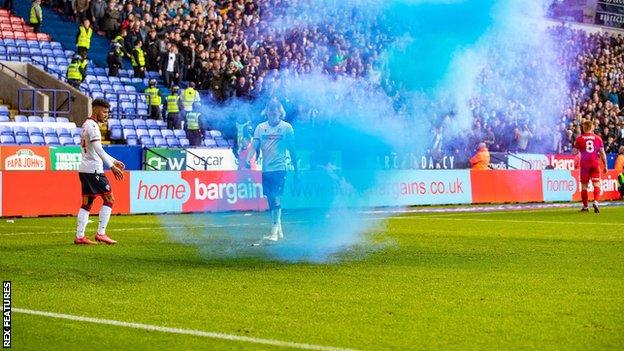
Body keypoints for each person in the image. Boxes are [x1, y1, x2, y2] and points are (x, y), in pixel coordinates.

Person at [245, 99, 298, 241]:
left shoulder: (287, 128)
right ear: (267, 112)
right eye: (270, 110)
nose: (273, 113)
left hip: (280, 169)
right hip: (266, 170)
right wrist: (247, 159)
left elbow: (292, 149)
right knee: (270, 199)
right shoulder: (260, 128)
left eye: (276, 110)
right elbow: (254, 146)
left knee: (275, 198)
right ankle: (279, 229)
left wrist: (296, 169)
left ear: (280, 112)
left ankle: (274, 231)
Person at [74, 98, 125, 245]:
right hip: (94, 170)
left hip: (85, 169)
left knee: (87, 203)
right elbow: (98, 149)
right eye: (104, 111)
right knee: (110, 199)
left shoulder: (86, 125)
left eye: (107, 112)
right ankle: (101, 233)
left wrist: (113, 160)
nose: (106, 115)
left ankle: (80, 236)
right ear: (95, 109)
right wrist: (112, 166)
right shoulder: (93, 127)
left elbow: (95, 150)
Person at [574, 120, 608, 213]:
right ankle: (596, 202)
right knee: (596, 184)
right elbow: (602, 153)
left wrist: (576, 146)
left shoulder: (579, 139)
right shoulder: (598, 138)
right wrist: (606, 165)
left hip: (585, 165)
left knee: (584, 186)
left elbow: (574, 152)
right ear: (592, 127)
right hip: (595, 164)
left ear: (584, 128)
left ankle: (585, 207)